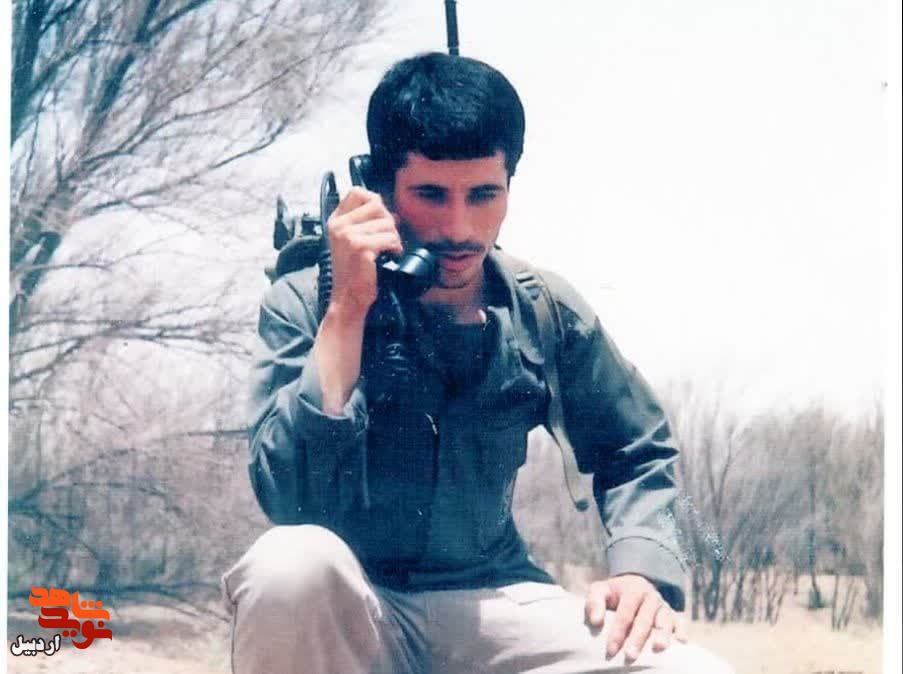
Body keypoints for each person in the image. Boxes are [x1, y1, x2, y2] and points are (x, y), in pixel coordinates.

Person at [223, 52, 734, 674]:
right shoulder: (306, 304)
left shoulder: (543, 309)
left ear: (509, 187)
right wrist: (348, 310)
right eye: (431, 194)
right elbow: (287, 499)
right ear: (379, 189)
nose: (459, 227)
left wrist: (642, 570)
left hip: (494, 601)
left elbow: (638, 447)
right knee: (286, 566)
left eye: (483, 194)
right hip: (354, 607)